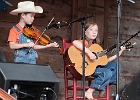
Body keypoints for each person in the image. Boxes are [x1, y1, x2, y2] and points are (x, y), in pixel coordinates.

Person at [72, 21, 126, 100]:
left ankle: (102, 86)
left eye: (96, 30)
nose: (94, 32)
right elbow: (74, 42)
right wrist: (89, 53)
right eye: (91, 30)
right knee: (107, 72)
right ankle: (90, 91)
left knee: (116, 66)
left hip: (96, 67)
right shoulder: (85, 42)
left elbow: (104, 61)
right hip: (86, 67)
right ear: (85, 32)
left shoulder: (96, 46)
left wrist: (118, 54)